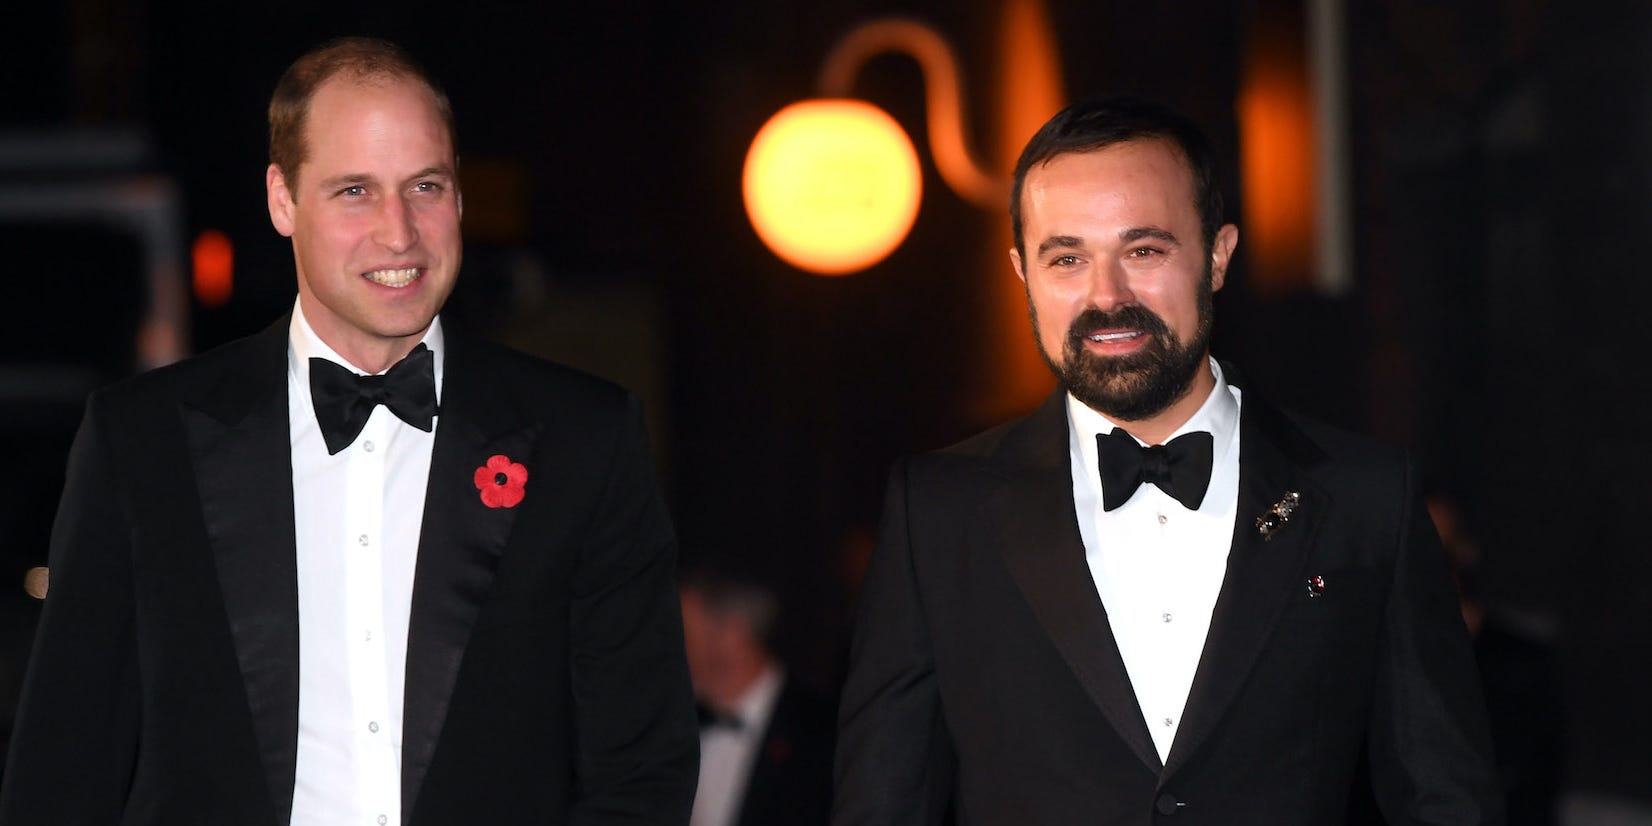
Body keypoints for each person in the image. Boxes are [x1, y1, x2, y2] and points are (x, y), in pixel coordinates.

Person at [0, 37, 697, 826]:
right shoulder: (143, 442)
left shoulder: (585, 439)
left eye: (425, 186)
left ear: (460, 195)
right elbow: (64, 768)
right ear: (282, 199)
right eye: (356, 191)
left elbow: (641, 770)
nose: (399, 233)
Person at [832, 98, 1501, 826]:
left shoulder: (1365, 496)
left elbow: (1445, 798)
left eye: (1144, 250)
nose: (1106, 296)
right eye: (1067, 259)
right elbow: (882, 802)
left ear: (1217, 255)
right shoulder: (938, 512)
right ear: (1023, 272)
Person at [679, 568, 834, 826]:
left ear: (732, 636)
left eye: (681, 635)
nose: (662, 652)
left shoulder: (823, 734)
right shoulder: (669, 727)